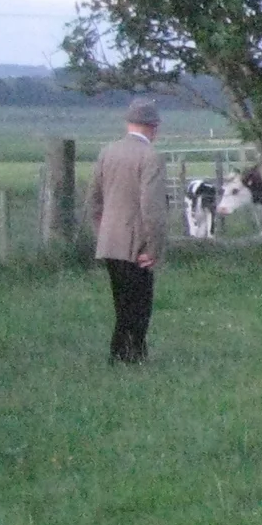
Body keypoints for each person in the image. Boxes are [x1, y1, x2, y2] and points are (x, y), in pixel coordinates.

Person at [88, 97, 169, 364]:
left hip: (110, 241)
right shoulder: (150, 157)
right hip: (136, 243)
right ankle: (131, 356)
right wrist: (154, 248)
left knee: (121, 302)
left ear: (128, 123)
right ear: (153, 127)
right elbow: (152, 209)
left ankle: (121, 354)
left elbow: (94, 202)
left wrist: (103, 233)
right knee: (139, 306)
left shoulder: (107, 152)